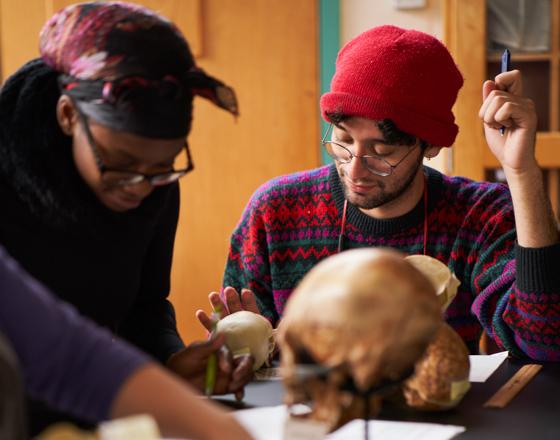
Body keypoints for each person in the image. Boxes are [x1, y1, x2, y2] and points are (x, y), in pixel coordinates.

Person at [197, 25, 560, 362]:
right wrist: (251, 352)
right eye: (342, 141)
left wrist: (521, 171)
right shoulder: (276, 211)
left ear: (430, 146)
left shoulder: (478, 215)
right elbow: (243, 357)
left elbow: (544, 341)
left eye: (382, 152)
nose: (354, 169)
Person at [0, 1, 252, 433]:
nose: (139, 186)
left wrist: (169, 362)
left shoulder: (152, 186)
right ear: (66, 116)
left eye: (164, 166)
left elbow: (143, 305)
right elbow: (50, 346)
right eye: (120, 163)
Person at [0, 245, 252, 440]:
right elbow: (62, 354)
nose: (140, 184)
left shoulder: (157, 192)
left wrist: (170, 362)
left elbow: (74, 356)